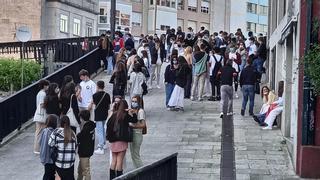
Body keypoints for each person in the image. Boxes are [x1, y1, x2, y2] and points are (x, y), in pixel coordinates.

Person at [106, 100, 138, 179]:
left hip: (113, 141)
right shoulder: (125, 115)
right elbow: (135, 120)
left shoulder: (113, 115)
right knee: (119, 160)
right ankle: (119, 177)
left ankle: (112, 178)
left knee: (114, 160)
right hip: (122, 140)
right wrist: (132, 112)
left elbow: (108, 125)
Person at [48, 116, 77, 180]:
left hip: (59, 162)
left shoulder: (56, 132)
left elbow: (50, 144)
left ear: (60, 122)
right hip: (70, 162)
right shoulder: (73, 133)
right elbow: (75, 146)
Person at [90, 81, 111, 155]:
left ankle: (100, 147)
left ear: (97, 86)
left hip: (98, 114)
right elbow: (108, 106)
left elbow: (93, 103)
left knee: (99, 130)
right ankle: (104, 143)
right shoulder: (107, 95)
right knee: (103, 128)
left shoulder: (95, 95)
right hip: (105, 113)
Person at [77, 110, 95, 180]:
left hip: (84, 152)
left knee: (86, 171)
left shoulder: (86, 129)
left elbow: (79, 137)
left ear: (82, 118)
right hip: (89, 150)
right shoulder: (91, 125)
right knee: (80, 170)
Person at [39, 114, 58, 180]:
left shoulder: (44, 131)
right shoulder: (53, 132)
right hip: (50, 158)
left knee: (47, 174)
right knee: (50, 175)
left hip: (45, 158)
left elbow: (40, 142)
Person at [129, 95, 146, 168]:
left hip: (137, 133)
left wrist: (133, 126)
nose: (134, 103)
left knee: (136, 155)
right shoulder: (132, 110)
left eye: (135, 101)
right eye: (132, 101)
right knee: (133, 154)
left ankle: (141, 169)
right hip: (132, 133)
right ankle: (137, 169)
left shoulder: (140, 111)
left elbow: (143, 125)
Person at [33, 79, 50, 154]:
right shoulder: (43, 94)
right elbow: (42, 104)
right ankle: (37, 149)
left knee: (38, 132)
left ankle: (37, 149)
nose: (48, 87)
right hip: (41, 115)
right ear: (45, 86)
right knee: (40, 132)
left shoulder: (39, 93)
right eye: (47, 85)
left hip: (38, 115)